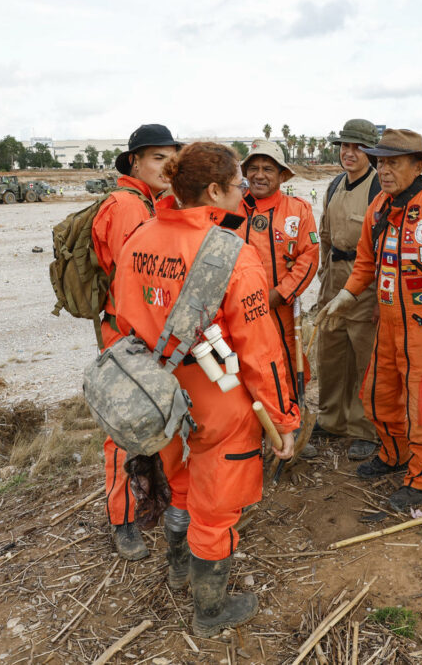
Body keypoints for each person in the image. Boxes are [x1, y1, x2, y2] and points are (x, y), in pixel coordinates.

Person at [111, 142, 297, 637]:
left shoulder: (139, 237)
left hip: (157, 395)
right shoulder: (231, 253)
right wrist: (283, 420)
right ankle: (210, 611)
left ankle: (176, 570)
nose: (244, 191)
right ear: (214, 190)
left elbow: (125, 317)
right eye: (238, 183)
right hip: (218, 398)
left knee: (179, 485)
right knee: (215, 509)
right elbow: (262, 351)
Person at [317, 129, 422, 511]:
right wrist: (345, 295)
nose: (383, 169)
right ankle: (394, 455)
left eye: (392, 162)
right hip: (389, 326)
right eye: (380, 161)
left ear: (417, 165)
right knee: (379, 397)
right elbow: (365, 262)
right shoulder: (380, 206)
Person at [92, 124, 182, 561]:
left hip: (143, 334)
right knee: (123, 431)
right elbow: (136, 283)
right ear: (134, 162)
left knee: (151, 423)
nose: (168, 166)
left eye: (172, 158)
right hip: (128, 336)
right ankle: (123, 520)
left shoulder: (149, 202)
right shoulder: (127, 208)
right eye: (158, 158)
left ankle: (150, 501)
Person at [315, 119, 382, 460]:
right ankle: (330, 420)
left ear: (370, 151)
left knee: (364, 361)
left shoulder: (379, 189)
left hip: (366, 288)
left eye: (357, 147)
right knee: (331, 356)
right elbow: (325, 238)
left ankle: (364, 428)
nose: (349, 153)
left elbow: (386, 249)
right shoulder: (334, 185)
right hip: (333, 284)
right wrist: (324, 278)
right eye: (345, 146)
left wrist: (381, 302)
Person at [236, 140, 319, 411]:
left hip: (280, 308)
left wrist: (280, 294)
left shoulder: (299, 210)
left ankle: (292, 420)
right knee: (242, 364)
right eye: (254, 168)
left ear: (282, 175)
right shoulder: (231, 207)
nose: (259, 175)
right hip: (236, 309)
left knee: (287, 363)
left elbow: (308, 257)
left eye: (268, 169)